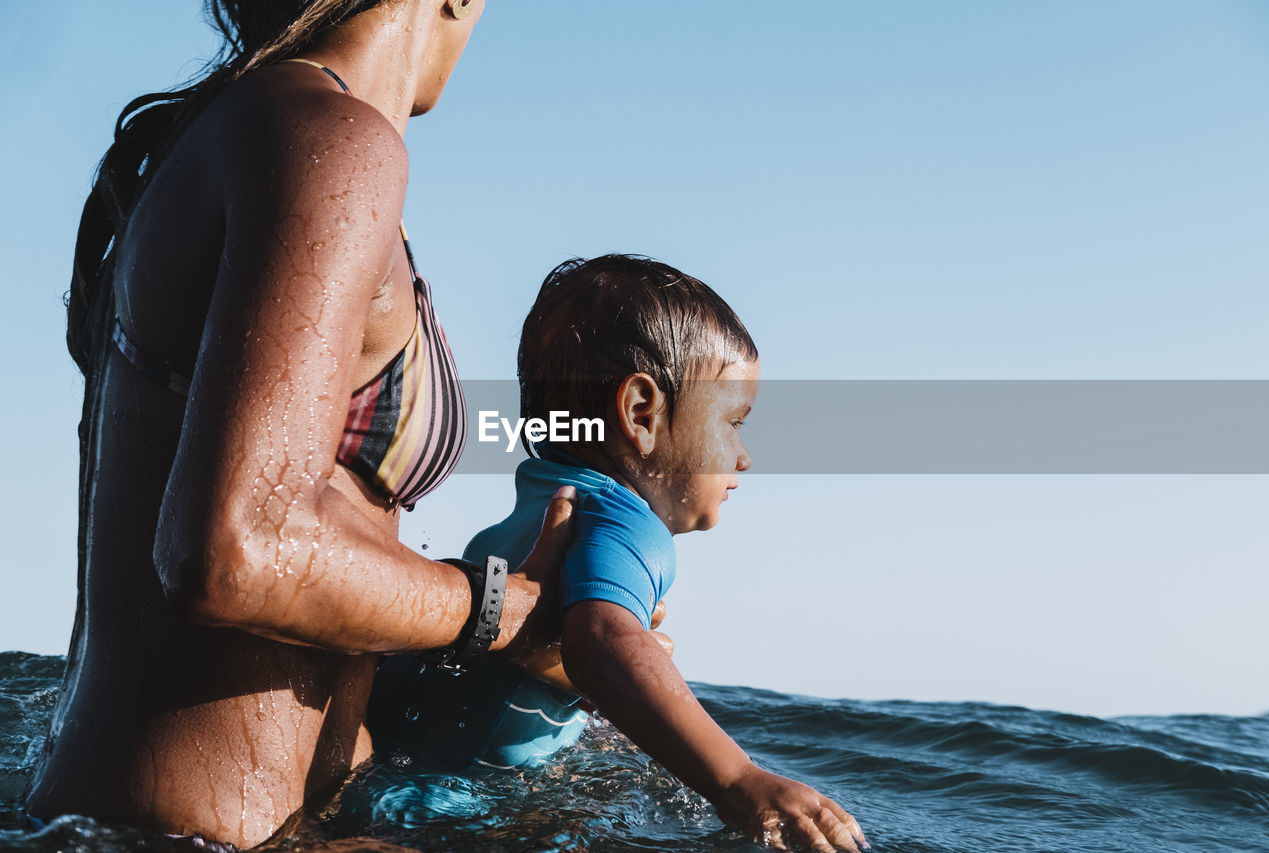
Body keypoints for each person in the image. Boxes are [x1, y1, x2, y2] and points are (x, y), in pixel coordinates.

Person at [24, 1, 605, 847]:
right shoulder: (331, 143)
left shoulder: (237, 129)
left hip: (184, 819)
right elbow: (234, 553)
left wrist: (492, 622)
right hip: (198, 834)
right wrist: (499, 611)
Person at [369, 255, 871, 852]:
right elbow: (603, 640)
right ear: (641, 414)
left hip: (392, 772)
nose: (743, 457)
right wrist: (738, 778)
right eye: (734, 422)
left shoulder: (540, 500)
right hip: (455, 813)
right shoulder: (630, 523)